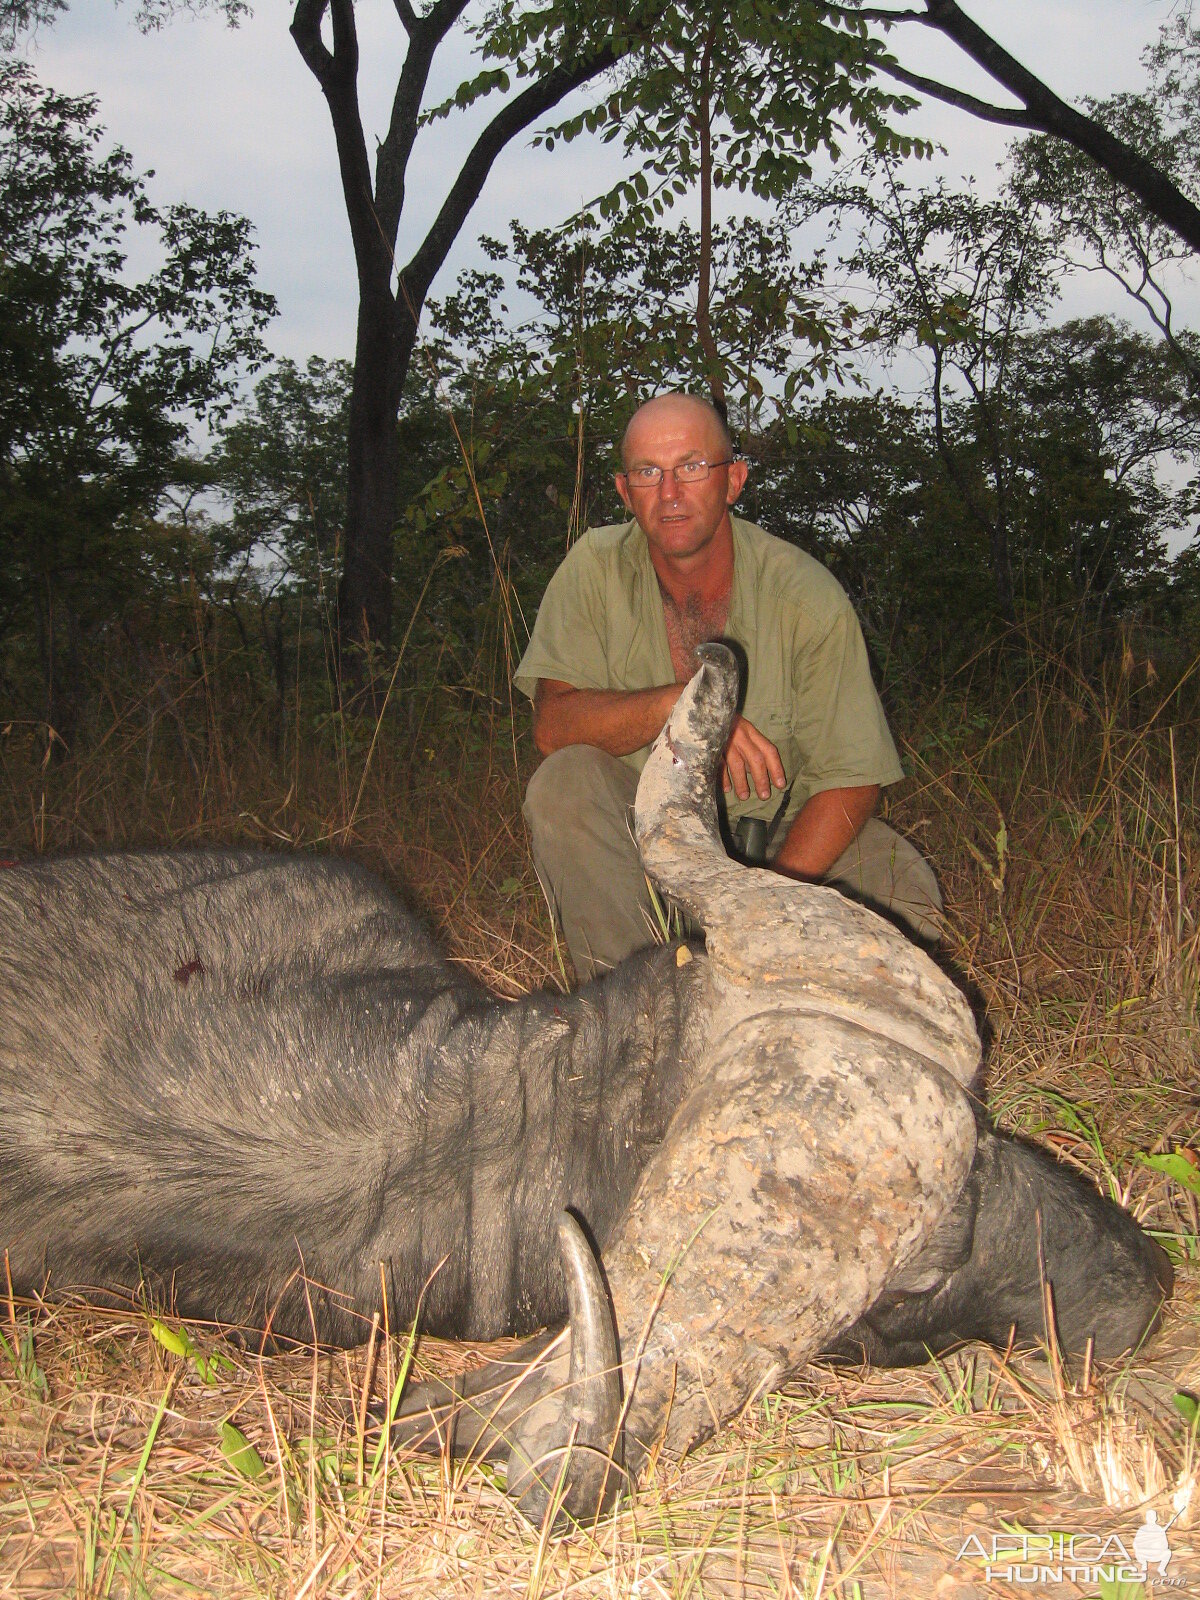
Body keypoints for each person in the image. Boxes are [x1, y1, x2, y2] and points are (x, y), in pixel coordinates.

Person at [515, 392, 942, 980]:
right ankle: (631, 1010)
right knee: (563, 784)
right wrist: (684, 706)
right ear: (624, 490)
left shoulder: (805, 593)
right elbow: (553, 728)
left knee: (903, 886)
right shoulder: (591, 570)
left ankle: (780, 989)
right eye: (648, 472)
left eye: (691, 467)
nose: (669, 493)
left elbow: (853, 780)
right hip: (646, 844)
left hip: (776, 846)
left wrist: (766, 901)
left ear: (733, 480)